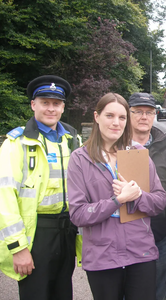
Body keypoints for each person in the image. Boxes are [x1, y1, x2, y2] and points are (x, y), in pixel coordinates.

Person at [67, 93, 166, 300]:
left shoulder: (138, 153)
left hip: (141, 253)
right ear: (96, 117)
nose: (116, 123)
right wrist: (117, 201)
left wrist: (137, 196)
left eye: (121, 117)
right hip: (103, 257)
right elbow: (77, 214)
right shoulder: (80, 159)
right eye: (109, 115)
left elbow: (159, 202)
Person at [0, 75, 80, 300]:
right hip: (36, 234)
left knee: (63, 294)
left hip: (67, 232)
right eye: (45, 103)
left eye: (56, 104)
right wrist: (18, 248)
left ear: (63, 107)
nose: (51, 109)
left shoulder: (72, 140)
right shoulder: (16, 144)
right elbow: (4, 198)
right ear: (33, 104)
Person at [128, 92, 166, 300]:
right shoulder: (114, 146)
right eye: (138, 111)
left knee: (157, 292)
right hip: (125, 237)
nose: (144, 116)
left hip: (158, 236)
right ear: (128, 114)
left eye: (149, 112)